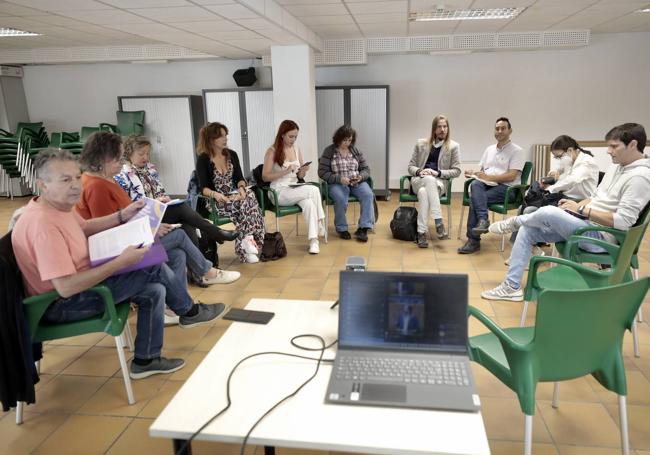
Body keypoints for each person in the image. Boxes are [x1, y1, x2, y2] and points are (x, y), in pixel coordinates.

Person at [11, 149, 228, 379]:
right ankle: (190, 311)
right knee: (151, 265)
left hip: (81, 285)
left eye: (77, 177)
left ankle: (146, 360)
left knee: (154, 289)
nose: (76, 185)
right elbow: (65, 287)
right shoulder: (43, 226)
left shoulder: (57, 206)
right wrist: (119, 262)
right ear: (42, 185)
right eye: (66, 180)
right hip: (60, 304)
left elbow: (84, 228)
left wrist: (122, 216)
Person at [76, 132, 238, 324]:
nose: (122, 162)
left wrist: (151, 224)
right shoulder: (96, 186)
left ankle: (173, 308)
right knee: (178, 235)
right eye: (118, 158)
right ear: (103, 158)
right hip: (118, 251)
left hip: (130, 238)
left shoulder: (105, 179)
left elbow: (124, 217)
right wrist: (151, 229)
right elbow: (109, 232)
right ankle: (205, 273)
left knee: (178, 253)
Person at [482, 123, 650, 301]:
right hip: (586, 224)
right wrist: (575, 208)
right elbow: (595, 197)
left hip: (602, 237)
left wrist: (582, 209)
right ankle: (511, 287)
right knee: (528, 230)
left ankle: (516, 221)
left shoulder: (639, 177)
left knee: (549, 212)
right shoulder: (617, 167)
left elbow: (623, 222)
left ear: (632, 144)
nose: (608, 151)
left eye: (614, 146)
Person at [114, 135, 240, 271]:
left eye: (147, 153)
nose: (145, 157)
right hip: (143, 217)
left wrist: (165, 199)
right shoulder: (123, 176)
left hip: (159, 211)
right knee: (182, 209)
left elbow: (160, 192)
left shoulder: (150, 169)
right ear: (129, 154)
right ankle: (216, 235)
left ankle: (198, 272)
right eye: (141, 154)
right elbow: (129, 206)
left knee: (187, 222)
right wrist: (156, 201)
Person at [195, 123, 266, 263]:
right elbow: (203, 188)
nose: (225, 138)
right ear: (211, 139)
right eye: (221, 136)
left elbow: (240, 178)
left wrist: (241, 189)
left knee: (249, 196)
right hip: (216, 201)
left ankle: (246, 242)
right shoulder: (203, 159)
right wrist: (216, 195)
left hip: (235, 197)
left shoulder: (232, 155)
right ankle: (250, 241)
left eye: (226, 135)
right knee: (250, 205)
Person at [458, 117, 526, 254]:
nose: (499, 131)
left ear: (510, 130)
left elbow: (512, 175)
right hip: (488, 185)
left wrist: (489, 177)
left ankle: (473, 240)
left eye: (503, 128)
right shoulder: (489, 149)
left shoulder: (517, 151)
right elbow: (484, 171)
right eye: (497, 128)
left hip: (507, 189)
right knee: (476, 184)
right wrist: (474, 173)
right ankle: (483, 219)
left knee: (474, 199)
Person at [263, 120, 325, 254]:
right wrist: (285, 171)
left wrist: (304, 170)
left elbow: (299, 175)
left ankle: (314, 241)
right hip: (278, 191)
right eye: (291, 136)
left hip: (294, 188)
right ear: (282, 135)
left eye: (295, 137)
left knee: (309, 203)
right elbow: (265, 176)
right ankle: (320, 223)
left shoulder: (296, 149)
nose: (293, 140)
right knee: (314, 189)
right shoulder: (272, 151)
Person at [407, 114, 461, 247]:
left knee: (424, 193)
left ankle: (421, 233)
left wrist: (438, 172)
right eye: (439, 127)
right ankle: (438, 220)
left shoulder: (454, 146)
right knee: (428, 180)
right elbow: (410, 167)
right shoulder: (421, 144)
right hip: (419, 179)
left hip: (439, 183)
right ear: (434, 129)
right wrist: (420, 171)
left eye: (445, 126)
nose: (443, 129)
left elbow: (457, 171)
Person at [318, 125, 374, 242]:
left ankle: (363, 227)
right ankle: (342, 228)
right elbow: (322, 173)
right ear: (338, 138)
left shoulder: (355, 151)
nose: (347, 143)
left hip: (356, 182)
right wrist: (339, 179)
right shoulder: (329, 151)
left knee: (368, 195)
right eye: (345, 140)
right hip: (337, 183)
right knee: (340, 198)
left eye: (349, 140)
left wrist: (360, 177)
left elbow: (366, 169)